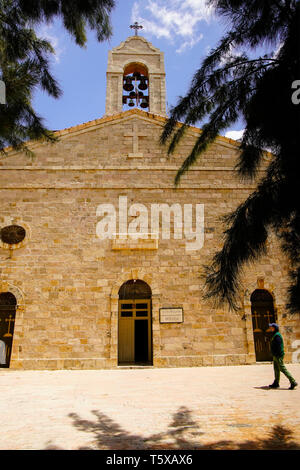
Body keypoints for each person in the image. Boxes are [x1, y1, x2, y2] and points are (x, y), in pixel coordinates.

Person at [268, 323, 298, 390]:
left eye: (271, 327)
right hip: (275, 355)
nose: (270, 328)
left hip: (278, 355)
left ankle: (292, 381)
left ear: (274, 328)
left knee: (282, 368)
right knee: (276, 369)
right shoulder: (275, 335)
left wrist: (277, 354)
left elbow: (278, 346)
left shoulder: (277, 336)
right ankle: (276, 382)